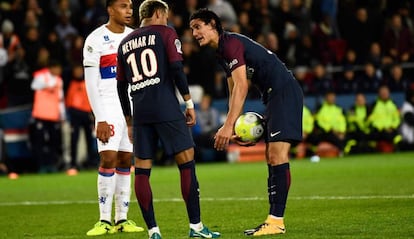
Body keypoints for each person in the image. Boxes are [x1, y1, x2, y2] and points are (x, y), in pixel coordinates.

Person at [189, 9, 303, 236]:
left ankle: (276, 221)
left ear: (213, 24)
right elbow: (234, 91)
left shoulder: (230, 44)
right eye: (192, 29)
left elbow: (242, 86)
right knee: (271, 154)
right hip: (273, 95)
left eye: (198, 27)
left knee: (278, 154)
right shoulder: (222, 51)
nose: (194, 33)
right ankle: (273, 220)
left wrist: (228, 125)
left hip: (283, 92)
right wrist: (238, 123)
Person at [116, 1, 221, 239]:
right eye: (166, 15)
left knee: (142, 171)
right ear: (157, 13)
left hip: (141, 113)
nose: (168, 20)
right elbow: (176, 68)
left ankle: (153, 231)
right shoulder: (166, 32)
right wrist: (189, 103)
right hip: (166, 108)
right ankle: (195, 227)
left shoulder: (124, 43)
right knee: (186, 163)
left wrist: (129, 120)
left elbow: (121, 87)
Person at [82, 0, 144, 236]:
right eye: (122, 6)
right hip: (107, 107)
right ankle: (103, 220)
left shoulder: (134, 37)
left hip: (130, 109)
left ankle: (122, 219)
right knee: (108, 158)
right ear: (110, 9)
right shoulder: (95, 39)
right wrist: (99, 117)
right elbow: (90, 82)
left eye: (130, 6)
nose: (129, 10)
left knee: (126, 160)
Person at [30, 60, 65, 173]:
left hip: (53, 116)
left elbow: (60, 99)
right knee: (39, 142)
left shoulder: (59, 80)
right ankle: (40, 165)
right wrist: (49, 84)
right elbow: (34, 86)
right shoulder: (41, 77)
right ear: (50, 68)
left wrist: (62, 115)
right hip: (40, 115)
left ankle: (51, 164)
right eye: (56, 68)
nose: (58, 71)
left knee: (54, 142)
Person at [65, 64, 98, 175]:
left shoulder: (88, 83)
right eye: (76, 70)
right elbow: (68, 100)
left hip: (87, 114)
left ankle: (91, 162)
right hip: (75, 114)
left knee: (90, 139)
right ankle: (73, 163)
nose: (78, 72)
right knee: (74, 139)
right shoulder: (70, 83)